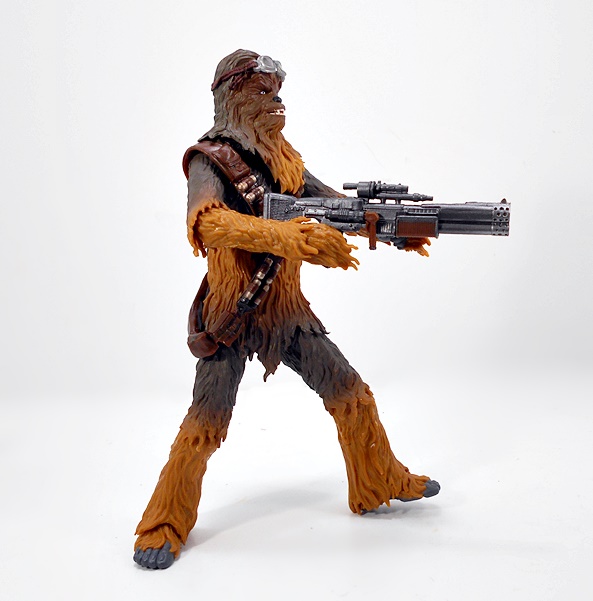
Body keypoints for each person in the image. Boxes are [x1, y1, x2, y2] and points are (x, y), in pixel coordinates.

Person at [133, 49, 439, 570]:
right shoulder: (211, 158)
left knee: (351, 394)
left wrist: (390, 227)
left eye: (278, 93)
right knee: (205, 424)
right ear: (232, 97)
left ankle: (379, 480)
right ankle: (163, 522)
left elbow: (330, 204)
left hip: (287, 313)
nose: (276, 103)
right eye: (262, 93)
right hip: (233, 313)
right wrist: (286, 239)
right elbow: (207, 223)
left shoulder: (283, 158)